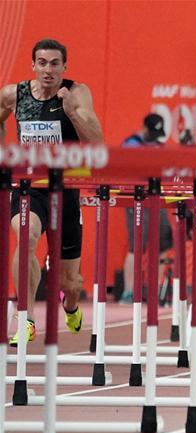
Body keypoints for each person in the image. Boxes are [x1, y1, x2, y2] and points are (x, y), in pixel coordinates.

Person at [0, 39, 103, 345]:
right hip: (30, 188)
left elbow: (96, 141)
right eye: (42, 63)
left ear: (64, 67)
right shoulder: (12, 95)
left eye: (55, 64)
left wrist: (72, 113)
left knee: (70, 282)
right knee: (26, 234)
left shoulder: (77, 92)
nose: (48, 70)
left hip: (65, 190)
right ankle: (26, 317)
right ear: (33, 65)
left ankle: (70, 306)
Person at [120, 113, 174, 303]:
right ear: (145, 128)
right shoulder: (131, 144)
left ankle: (156, 290)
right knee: (137, 244)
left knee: (164, 242)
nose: (155, 136)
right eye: (153, 132)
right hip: (135, 199)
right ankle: (128, 292)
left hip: (157, 198)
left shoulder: (160, 146)